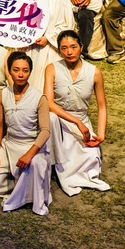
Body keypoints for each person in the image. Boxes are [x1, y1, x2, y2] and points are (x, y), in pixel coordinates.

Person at [0, 49, 54, 216]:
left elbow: (45, 132)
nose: (20, 74)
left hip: (32, 148)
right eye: (16, 70)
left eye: (25, 70)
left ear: (30, 72)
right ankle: (24, 185)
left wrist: (29, 154)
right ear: (9, 71)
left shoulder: (39, 97)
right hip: (9, 146)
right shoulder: (3, 94)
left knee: (35, 164)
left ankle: (29, 186)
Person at [45, 29, 110, 195]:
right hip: (59, 120)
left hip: (81, 120)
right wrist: (77, 122)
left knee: (91, 159)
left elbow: (102, 106)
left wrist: (101, 135)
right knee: (51, 119)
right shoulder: (52, 68)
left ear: (81, 47)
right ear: (59, 50)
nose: (69, 52)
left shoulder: (94, 72)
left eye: (73, 47)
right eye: (64, 48)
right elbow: (49, 103)